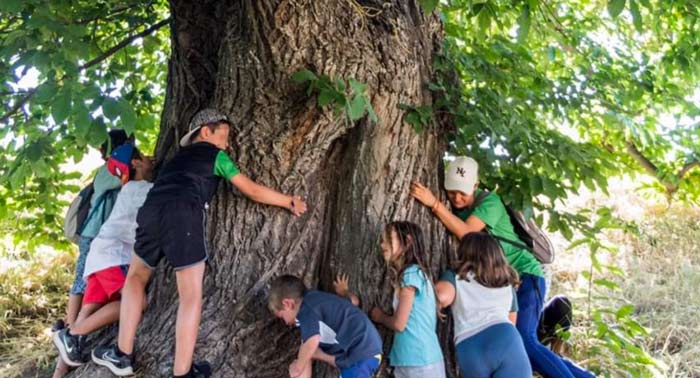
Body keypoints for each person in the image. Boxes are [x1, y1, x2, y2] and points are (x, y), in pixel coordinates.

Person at [92, 109, 308, 377]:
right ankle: (183, 372)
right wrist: (288, 201)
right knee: (191, 295)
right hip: (182, 213)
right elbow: (250, 189)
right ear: (206, 131)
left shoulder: (174, 160)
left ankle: (122, 354)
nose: (227, 144)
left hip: (150, 211)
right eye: (224, 136)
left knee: (135, 277)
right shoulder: (215, 156)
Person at [411, 156, 594, 378]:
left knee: (524, 340)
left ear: (476, 186)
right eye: (451, 192)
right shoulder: (456, 209)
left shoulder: (490, 203)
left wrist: (434, 204)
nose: (457, 198)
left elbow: (468, 234)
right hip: (503, 282)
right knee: (525, 343)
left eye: (463, 193)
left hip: (526, 274)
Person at [53, 144, 153, 367]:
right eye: (145, 157)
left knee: (88, 310)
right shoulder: (142, 188)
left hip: (99, 258)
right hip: (113, 257)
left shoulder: (128, 189)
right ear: (135, 163)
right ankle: (71, 334)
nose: (151, 160)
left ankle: (65, 356)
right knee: (137, 302)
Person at [333, 221, 445, 378]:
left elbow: (399, 324)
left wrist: (380, 317)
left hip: (419, 360)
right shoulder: (414, 274)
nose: (382, 244)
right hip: (411, 359)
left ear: (407, 242)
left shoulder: (410, 274)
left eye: (387, 239)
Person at [436, 232, 531, 378]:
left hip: (469, 348)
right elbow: (512, 323)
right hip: (505, 339)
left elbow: (442, 297)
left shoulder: (457, 276)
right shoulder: (506, 284)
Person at [269, 275, 383, 378]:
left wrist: (297, 367)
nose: (285, 322)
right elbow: (354, 301)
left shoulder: (306, 311)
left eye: (282, 316)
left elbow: (311, 342)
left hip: (361, 351)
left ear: (287, 304)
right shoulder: (318, 300)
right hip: (368, 346)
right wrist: (344, 292)